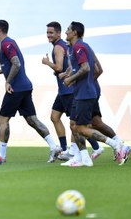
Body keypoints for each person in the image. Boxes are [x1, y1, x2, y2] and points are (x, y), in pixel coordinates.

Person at [0, 19, 62, 165]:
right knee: (32, 120)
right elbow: (11, 64)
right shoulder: (9, 42)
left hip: (16, 88)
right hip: (24, 87)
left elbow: (16, 63)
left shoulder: (6, 43)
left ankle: (1, 155)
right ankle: (54, 146)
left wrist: (8, 81)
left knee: (3, 120)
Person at [61, 21, 128, 166]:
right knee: (75, 124)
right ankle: (82, 158)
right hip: (82, 92)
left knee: (81, 127)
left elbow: (86, 68)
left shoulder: (79, 47)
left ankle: (114, 144)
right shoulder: (78, 47)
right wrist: (71, 76)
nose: (65, 32)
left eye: (68, 30)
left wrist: (71, 80)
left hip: (85, 94)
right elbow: (91, 69)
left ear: (75, 33)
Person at [42, 21, 102, 160]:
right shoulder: (68, 45)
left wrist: (47, 63)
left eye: (51, 32)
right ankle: (65, 149)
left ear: (58, 33)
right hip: (63, 90)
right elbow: (69, 66)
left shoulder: (59, 47)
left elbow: (59, 67)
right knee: (55, 117)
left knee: (76, 124)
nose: (48, 35)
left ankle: (95, 147)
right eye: (47, 33)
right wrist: (65, 73)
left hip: (68, 90)